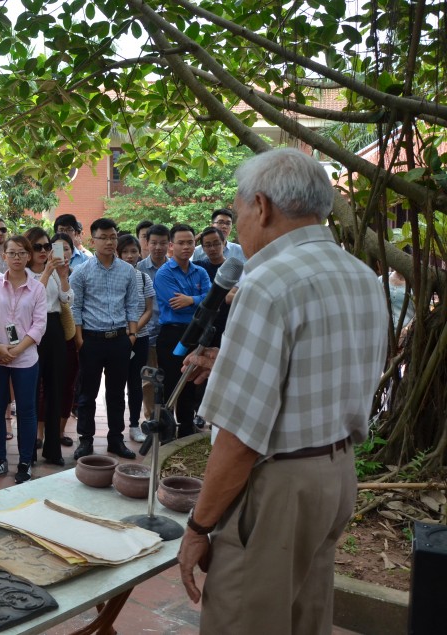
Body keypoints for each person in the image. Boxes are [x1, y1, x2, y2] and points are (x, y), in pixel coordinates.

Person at [177, 148, 388, 635]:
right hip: (335, 476)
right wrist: (226, 358)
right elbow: (321, 369)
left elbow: (239, 438)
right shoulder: (360, 275)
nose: (238, 223)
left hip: (278, 488)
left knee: (243, 619)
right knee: (304, 618)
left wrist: (198, 527)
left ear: (263, 206)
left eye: (238, 209)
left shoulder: (268, 283)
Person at [69, 217, 139, 461]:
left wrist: (132, 335)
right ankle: (85, 440)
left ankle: (115, 439)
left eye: (113, 237)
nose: (110, 242)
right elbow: (75, 309)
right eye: (104, 237)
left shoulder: (128, 271)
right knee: (87, 393)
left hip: (120, 338)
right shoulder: (81, 272)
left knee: (117, 393)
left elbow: (133, 304)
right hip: (91, 340)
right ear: (93, 240)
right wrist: (80, 341)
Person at [0, 235, 47, 483]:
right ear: (4, 256)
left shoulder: (37, 288)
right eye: (12, 253)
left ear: (29, 256)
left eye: (21, 253)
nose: (17, 257)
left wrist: (16, 351)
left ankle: (25, 462)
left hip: (25, 358)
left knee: (27, 411)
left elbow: (40, 325)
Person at [154, 223, 211, 438]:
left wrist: (191, 300)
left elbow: (211, 301)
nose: (186, 247)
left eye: (190, 242)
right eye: (181, 243)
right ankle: (166, 433)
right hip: (172, 335)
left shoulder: (201, 271)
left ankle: (187, 431)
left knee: (192, 382)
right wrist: (198, 302)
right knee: (170, 383)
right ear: (171, 246)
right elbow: (173, 304)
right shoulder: (164, 273)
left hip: (197, 335)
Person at [24, 227, 71, 465]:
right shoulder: (21, 273)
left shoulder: (54, 270)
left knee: (55, 389)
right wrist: (47, 273)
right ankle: (29, 451)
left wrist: (62, 277)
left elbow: (66, 300)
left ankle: (53, 450)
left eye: (47, 246)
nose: (44, 251)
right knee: (32, 391)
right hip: (31, 331)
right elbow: (32, 301)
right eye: (38, 247)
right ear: (27, 250)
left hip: (53, 328)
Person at [118, 234, 154, 443]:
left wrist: (132, 331)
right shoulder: (113, 278)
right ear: (118, 254)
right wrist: (124, 334)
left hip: (139, 338)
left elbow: (149, 310)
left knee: (135, 382)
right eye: (125, 252)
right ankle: (116, 427)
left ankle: (133, 425)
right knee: (116, 383)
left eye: (133, 251)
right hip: (116, 338)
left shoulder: (143, 278)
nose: (130, 256)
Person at [135, 223, 169, 422]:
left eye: (162, 243)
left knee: (169, 377)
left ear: (169, 244)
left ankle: (167, 417)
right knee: (148, 379)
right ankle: (150, 420)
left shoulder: (174, 267)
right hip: (146, 331)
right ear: (146, 243)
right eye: (154, 243)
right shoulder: (139, 269)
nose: (158, 247)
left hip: (168, 333)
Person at [50, 233, 79, 448]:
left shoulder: (77, 269)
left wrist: (63, 276)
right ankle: (42, 433)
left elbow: (68, 299)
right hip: (49, 332)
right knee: (46, 386)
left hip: (70, 333)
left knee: (67, 384)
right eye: (57, 249)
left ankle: (60, 431)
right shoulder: (43, 272)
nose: (62, 254)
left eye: (66, 249)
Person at [192, 227, 232, 347]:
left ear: (224, 243)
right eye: (208, 245)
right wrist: (192, 242)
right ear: (202, 248)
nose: (212, 248)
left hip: (227, 325)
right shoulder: (197, 267)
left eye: (216, 244)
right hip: (202, 327)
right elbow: (174, 263)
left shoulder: (233, 268)